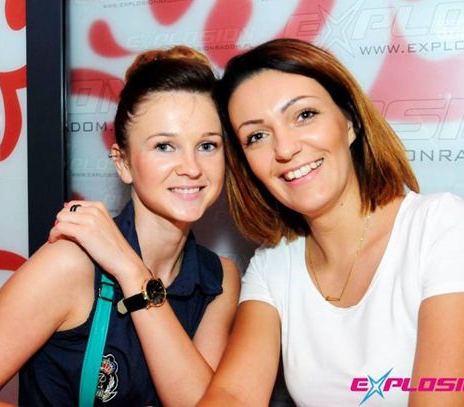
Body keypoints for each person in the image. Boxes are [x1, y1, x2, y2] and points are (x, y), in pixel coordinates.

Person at [0, 46, 240, 406]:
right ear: (122, 163)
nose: (192, 167)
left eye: (207, 145)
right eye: (165, 146)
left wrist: (131, 271)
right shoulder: (70, 263)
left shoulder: (218, 278)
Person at [198, 38, 464, 406]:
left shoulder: (440, 226)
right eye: (257, 136)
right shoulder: (273, 265)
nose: (285, 148)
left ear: (350, 121)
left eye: (304, 115)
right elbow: (233, 394)